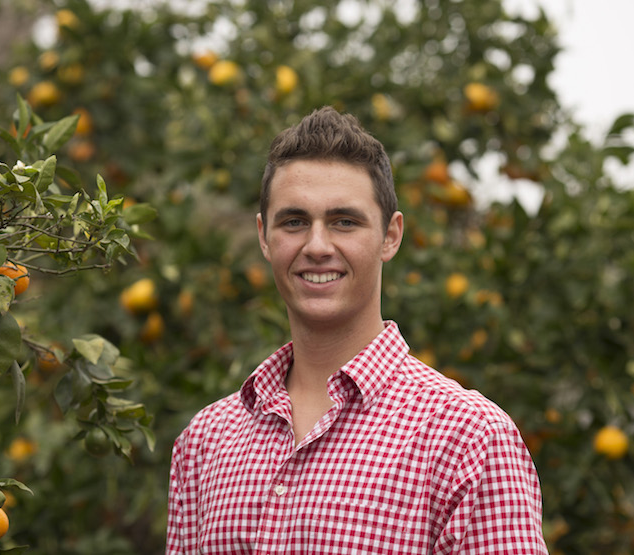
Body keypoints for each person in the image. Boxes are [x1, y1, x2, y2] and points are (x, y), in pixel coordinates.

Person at [167, 106, 547, 554]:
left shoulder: (468, 439)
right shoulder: (205, 442)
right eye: (294, 222)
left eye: (344, 221)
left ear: (390, 236)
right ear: (264, 238)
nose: (317, 246)